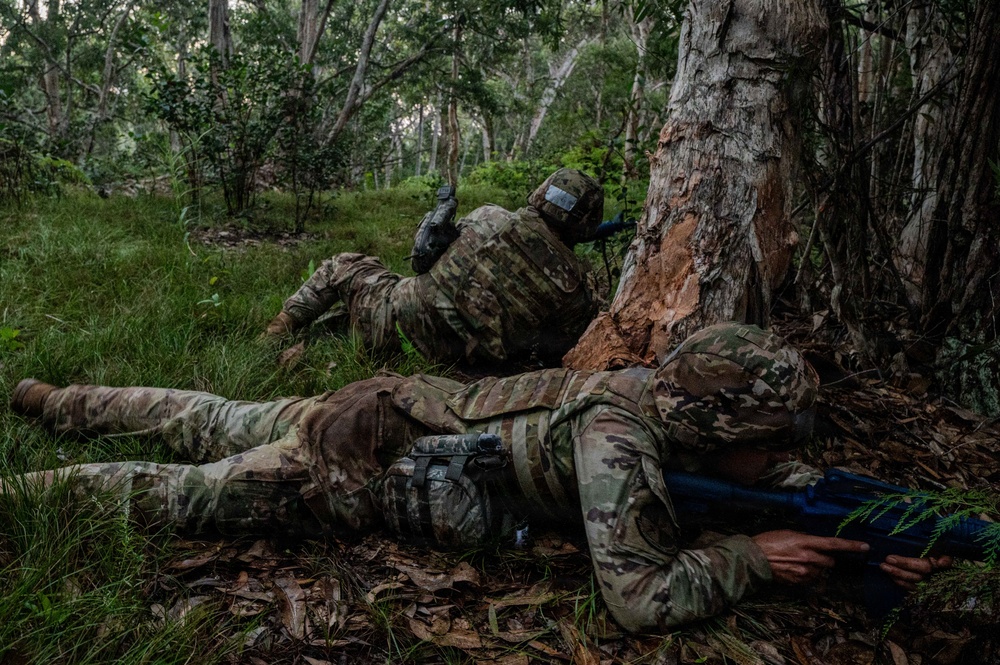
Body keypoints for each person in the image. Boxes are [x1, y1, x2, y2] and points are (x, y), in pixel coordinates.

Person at [5, 323, 947, 632]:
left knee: (209, 411)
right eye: (766, 438)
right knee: (183, 492)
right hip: (365, 462)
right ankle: (22, 494)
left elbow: (775, 478)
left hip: (393, 400)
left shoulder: (654, 391)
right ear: (712, 424)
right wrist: (750, 557)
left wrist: (862, 538)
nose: (778, 455)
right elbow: (638, 597)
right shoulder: (616, 439)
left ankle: (51, 398)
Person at [263, 168, 603, 366]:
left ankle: (273, 335)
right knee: (343, 319)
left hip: (392, 324)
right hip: (458, 366)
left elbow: (422, 261)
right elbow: (555, 347)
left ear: (542, 192)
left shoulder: (490, 216)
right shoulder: (577, 290)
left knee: (344, 264)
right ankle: (323, 335)